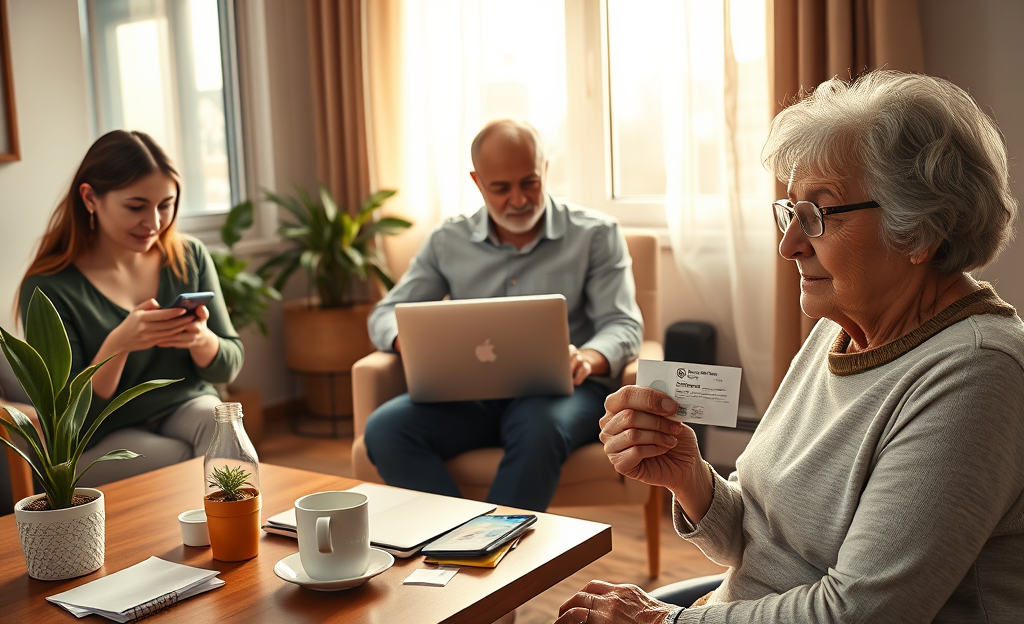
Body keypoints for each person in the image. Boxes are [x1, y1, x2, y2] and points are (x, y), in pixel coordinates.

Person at [556, 70, 1024, 623]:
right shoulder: (841, 327)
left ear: (919, 231)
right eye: (790, 212)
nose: (789, 244)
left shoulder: (976, 373)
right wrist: (690, 477)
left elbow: (861, 614)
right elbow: (770, 544)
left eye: (819, 215)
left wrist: (662, 620)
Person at [363, 119, 644, 511]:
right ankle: (456, 538)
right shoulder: (448, 240)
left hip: (562, 393)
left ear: (544, 170)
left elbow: (623, 324)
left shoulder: (596, 234)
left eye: (529, 182)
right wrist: (402, 340)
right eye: (500, 188)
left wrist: (588, 357)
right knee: (386, 429)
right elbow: (384, 313)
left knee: (538, 429)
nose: (518, 199)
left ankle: (489, 552)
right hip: (469, 395)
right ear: (477, 182)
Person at [16, 130, 243, 486]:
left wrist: (200, 339)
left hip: (185, 405)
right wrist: (118, 345)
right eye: (136, 206)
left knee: (222, 426)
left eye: (165, 205)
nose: (153, 222)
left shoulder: (188, 257)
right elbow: (65, 420)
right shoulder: (48, 288)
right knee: (185, 462)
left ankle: (235, 540)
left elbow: (228, 366)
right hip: (106, 430)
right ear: (90, 198)